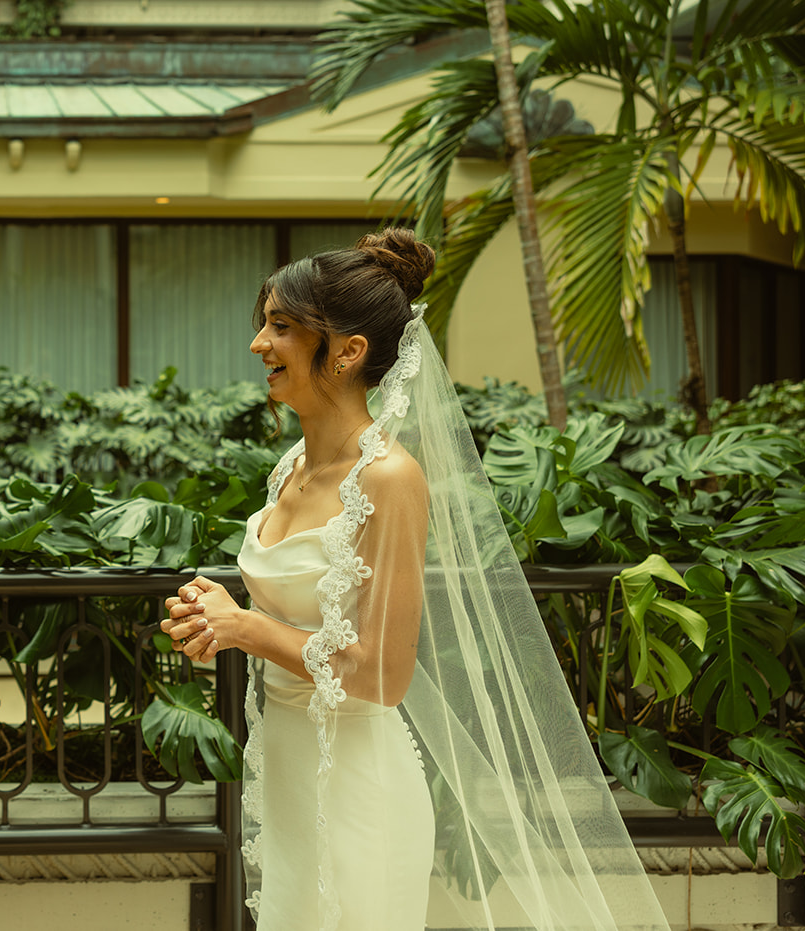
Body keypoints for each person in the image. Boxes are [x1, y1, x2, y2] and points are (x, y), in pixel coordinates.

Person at [162, 230, 668, 931]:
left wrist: (245, 626)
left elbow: (379, 676)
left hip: (359, 792)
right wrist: (216, 616)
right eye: (264, 323)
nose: (259, 344)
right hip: (288, 781)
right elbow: (310, 614)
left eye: (280, 326)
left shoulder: (389, 479)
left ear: (347, 350)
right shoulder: (287, 470)